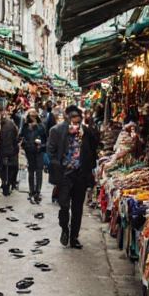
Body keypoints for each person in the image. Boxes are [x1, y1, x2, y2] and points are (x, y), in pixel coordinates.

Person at [46, 105, 100, 248]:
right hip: (65, 175)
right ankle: (65, 229)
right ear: (68, 118)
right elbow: (50, 152)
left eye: (79, 120)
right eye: (74, 119)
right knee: (64, 206)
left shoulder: (86, 132)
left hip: (81, 175)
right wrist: (63, 164)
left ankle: (74, 237)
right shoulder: (56, 131)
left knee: (78, 208)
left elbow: (95, 147)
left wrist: (90, 130)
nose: (76, 123)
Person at [20, 110, 46, 204]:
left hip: (38, 151)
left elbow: (45, 140)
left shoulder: (41, 127)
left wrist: (40, 144)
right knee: (32, 171)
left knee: (38, 171)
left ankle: (37, 191)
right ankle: (32, 191)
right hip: (30, 151)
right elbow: (21, 136)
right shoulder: (26, 127)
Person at [0, 113, 20, 196]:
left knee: (2, 167)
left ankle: (4, 182)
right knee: (11, 169)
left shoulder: (2, 129)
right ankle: (8, 184)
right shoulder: (13, 127)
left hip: (3, 151)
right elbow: (16, 139)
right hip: (12, 151)